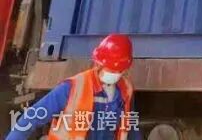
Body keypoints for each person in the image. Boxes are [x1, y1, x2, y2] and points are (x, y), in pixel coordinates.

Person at [6, 34, 141, 140]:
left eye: (117, 70)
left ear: (125, 69)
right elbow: (31, 117)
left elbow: (129, 128)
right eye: (110, 69)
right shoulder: (73, 87)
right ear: (98, 63)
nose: (113, 73)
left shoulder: (125, 90)